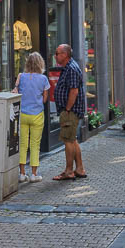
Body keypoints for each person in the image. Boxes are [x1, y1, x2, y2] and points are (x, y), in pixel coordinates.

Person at [52, 44, 87, 180]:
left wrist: (67, 109)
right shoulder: (69, 67)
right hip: (70, 110)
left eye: (57, 53)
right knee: (73, 140)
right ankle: (80, 169)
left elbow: (74, 91)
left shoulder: (71, 68)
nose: (55, 55)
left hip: (70, 111)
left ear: (65, 55)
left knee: (68, 140)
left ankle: (68, 171)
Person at [14, 52, 49, 183]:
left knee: (23, 144)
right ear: (41, 64)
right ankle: (34, 174)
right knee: (35, 144)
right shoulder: (43, 79)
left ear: (27, 63)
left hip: (23, 114)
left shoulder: (21, 76)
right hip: (37, 114)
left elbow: (16, 91)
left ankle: (22, 174)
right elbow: (45, 99)